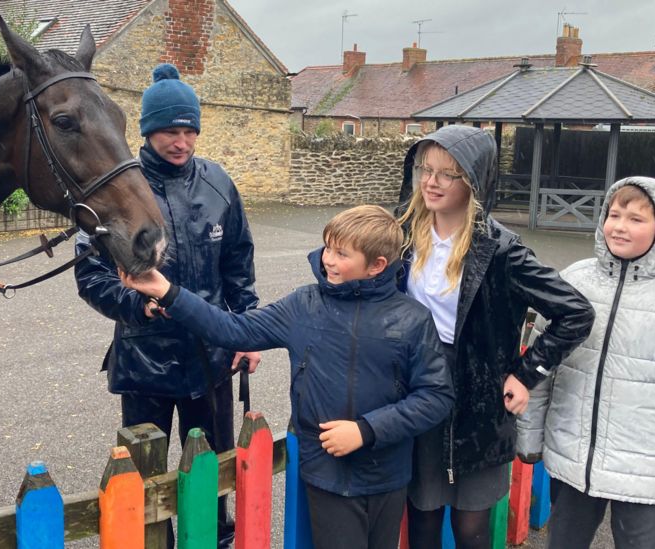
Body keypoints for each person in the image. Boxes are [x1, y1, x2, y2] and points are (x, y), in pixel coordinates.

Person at [122, 205, 455, 549]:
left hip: (388, 475)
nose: (328, 260)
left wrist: (366, 430)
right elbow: (232, 329)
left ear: (377, 266)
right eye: (328, 247)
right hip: (327, 474)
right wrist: (167, 292)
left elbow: (435, 396)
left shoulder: (412, 319)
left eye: (342, 254)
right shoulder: (304, 306)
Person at [74, 63, 257, 547]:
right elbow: (91, 276)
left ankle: (214, 539)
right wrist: (137, 307)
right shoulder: (116, 190)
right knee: (145, 477)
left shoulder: (218, 182)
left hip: (212, 357)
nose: (181, 142)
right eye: (170, 131)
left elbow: (239, 262)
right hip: (144, 361)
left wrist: (248, 331)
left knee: (213, 472)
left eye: (189, 130)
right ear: (148, 131)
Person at [395, 125, 595, 549]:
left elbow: (575, 312)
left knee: (471, 528)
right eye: (426, 169)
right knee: (423, 519)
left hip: (478, 408)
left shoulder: (501, 250)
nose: (431, 182)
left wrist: (526, 373)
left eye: (447, 174)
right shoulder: (403, 233)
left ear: (474, 181)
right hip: (416, 391)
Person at [517, 177, 655, 549]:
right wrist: (530, 434)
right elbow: (542, 366)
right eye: (613, 214)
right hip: (574, 457)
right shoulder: (574, 282)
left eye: (635, 219)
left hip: (647, 471)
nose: (619, 226)